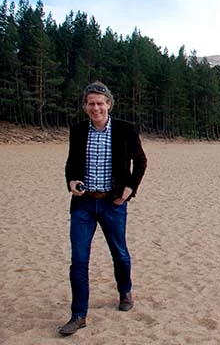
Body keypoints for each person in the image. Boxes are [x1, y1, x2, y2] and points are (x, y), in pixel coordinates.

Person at [58, 81, 147, 336]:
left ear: (109, 104)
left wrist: (130, 189)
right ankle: (78, 315)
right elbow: (71, 163)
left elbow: (140, 160)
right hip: (84, 204)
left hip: (113, 203)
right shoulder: (77, 130)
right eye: (91, 103)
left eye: (100, 103)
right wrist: (72, 181)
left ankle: (125, 291)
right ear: (85, 106)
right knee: (78, 260)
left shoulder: (125, 129)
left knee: (119, 253)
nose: (96, 107)